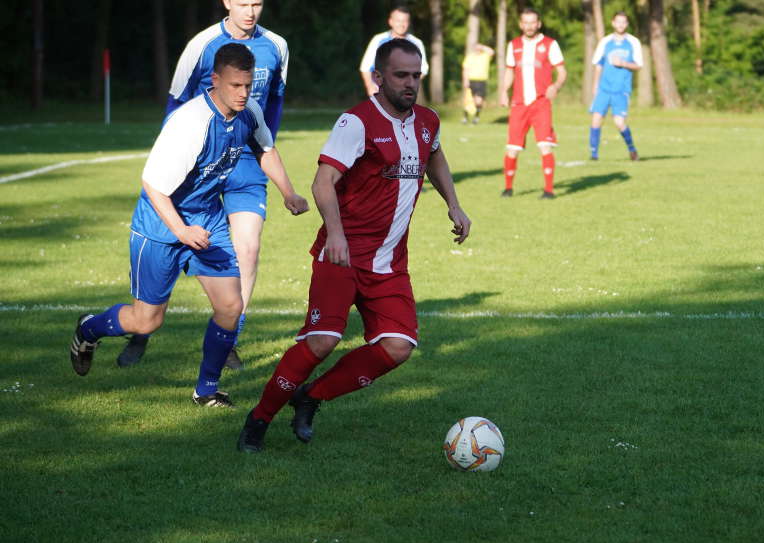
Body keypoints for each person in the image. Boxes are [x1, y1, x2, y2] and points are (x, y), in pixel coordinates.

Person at [237, 39, 471, 453]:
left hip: (389, 261)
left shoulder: (427, 121)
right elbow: (322, 182)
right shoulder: (357, 122)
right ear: (379, 78)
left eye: (416, 75)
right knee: (322, 340)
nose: (410, 84)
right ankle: (258, 420)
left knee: (398, 347)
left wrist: (454, 204)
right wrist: (337, 234)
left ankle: (310, 397)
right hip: (341, 253)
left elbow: (434, 155)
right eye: (401, 75)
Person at [69, 44, 309, 408]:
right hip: (161, 226)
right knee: (146, 321)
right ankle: (89, 328)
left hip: (207, 219)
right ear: (215, 81)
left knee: (231, 305)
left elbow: (266, 149)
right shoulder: (190, 123)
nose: (243, 93)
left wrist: (288, 192)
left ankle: (206, 390)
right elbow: (153, 186)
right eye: (235, 86)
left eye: (247, 85)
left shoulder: (250, 111)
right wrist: (181, 232)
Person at [118, 0, 293, 370]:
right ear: (227, 2)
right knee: (173, 239)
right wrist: (171, 158)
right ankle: (141, 329)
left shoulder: (277, 46)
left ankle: (229, 339)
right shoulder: (201, 44)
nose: (250, 10)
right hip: (201, 155)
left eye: (257, 3)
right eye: (242, 2)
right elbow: (176, 101)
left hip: (246, 157)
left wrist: (264, 146)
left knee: (248, 249)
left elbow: (275, 101)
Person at [499, 8, 567, 200]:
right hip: (519, 104)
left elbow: (562, 72)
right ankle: (508, 188)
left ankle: (549, 190)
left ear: (539, 24)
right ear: (521, 24)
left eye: (532, 22)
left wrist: (556, 85)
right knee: (512, 148)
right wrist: (504, 91)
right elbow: (510, 71)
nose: (529, 26)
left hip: (541, 103)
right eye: (525, 22)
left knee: (545, 146)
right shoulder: (513, 45)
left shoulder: (550, 44)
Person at [589, 11, 642, 161]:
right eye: (618, 21)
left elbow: (639, 65)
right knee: (596, 119)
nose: (620, 24)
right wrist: (595, 86)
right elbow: (598, 65)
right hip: (604, 88)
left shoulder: (633, 42)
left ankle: (632, 150)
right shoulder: (605, 42)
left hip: (621, 89)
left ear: (627, 24)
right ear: (613, 23)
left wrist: (623, 63)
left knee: (619, 123)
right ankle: (594, 155)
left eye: (623, 22)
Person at [359, 6, 429, 97]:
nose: (401, 24)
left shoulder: (417, 43)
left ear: (408, 23)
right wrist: (370, 87)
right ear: (390, 22)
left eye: (404, 21)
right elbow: (365, 67)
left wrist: (407, 85)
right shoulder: (378, 40)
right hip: (379, 92)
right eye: (398, 21)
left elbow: (423, 69)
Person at [461, 43, 494, 124]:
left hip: (481, 81)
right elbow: (465, 69)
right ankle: (465, 117)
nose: (478, 49)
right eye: (476, 47)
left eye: (479, 48)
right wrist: (465, 80)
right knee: (468, 100)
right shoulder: (470, 56)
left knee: (478, 101)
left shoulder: (485, 56)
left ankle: (476, 117)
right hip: (471, 80)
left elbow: (492, 52)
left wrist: (483, 47)